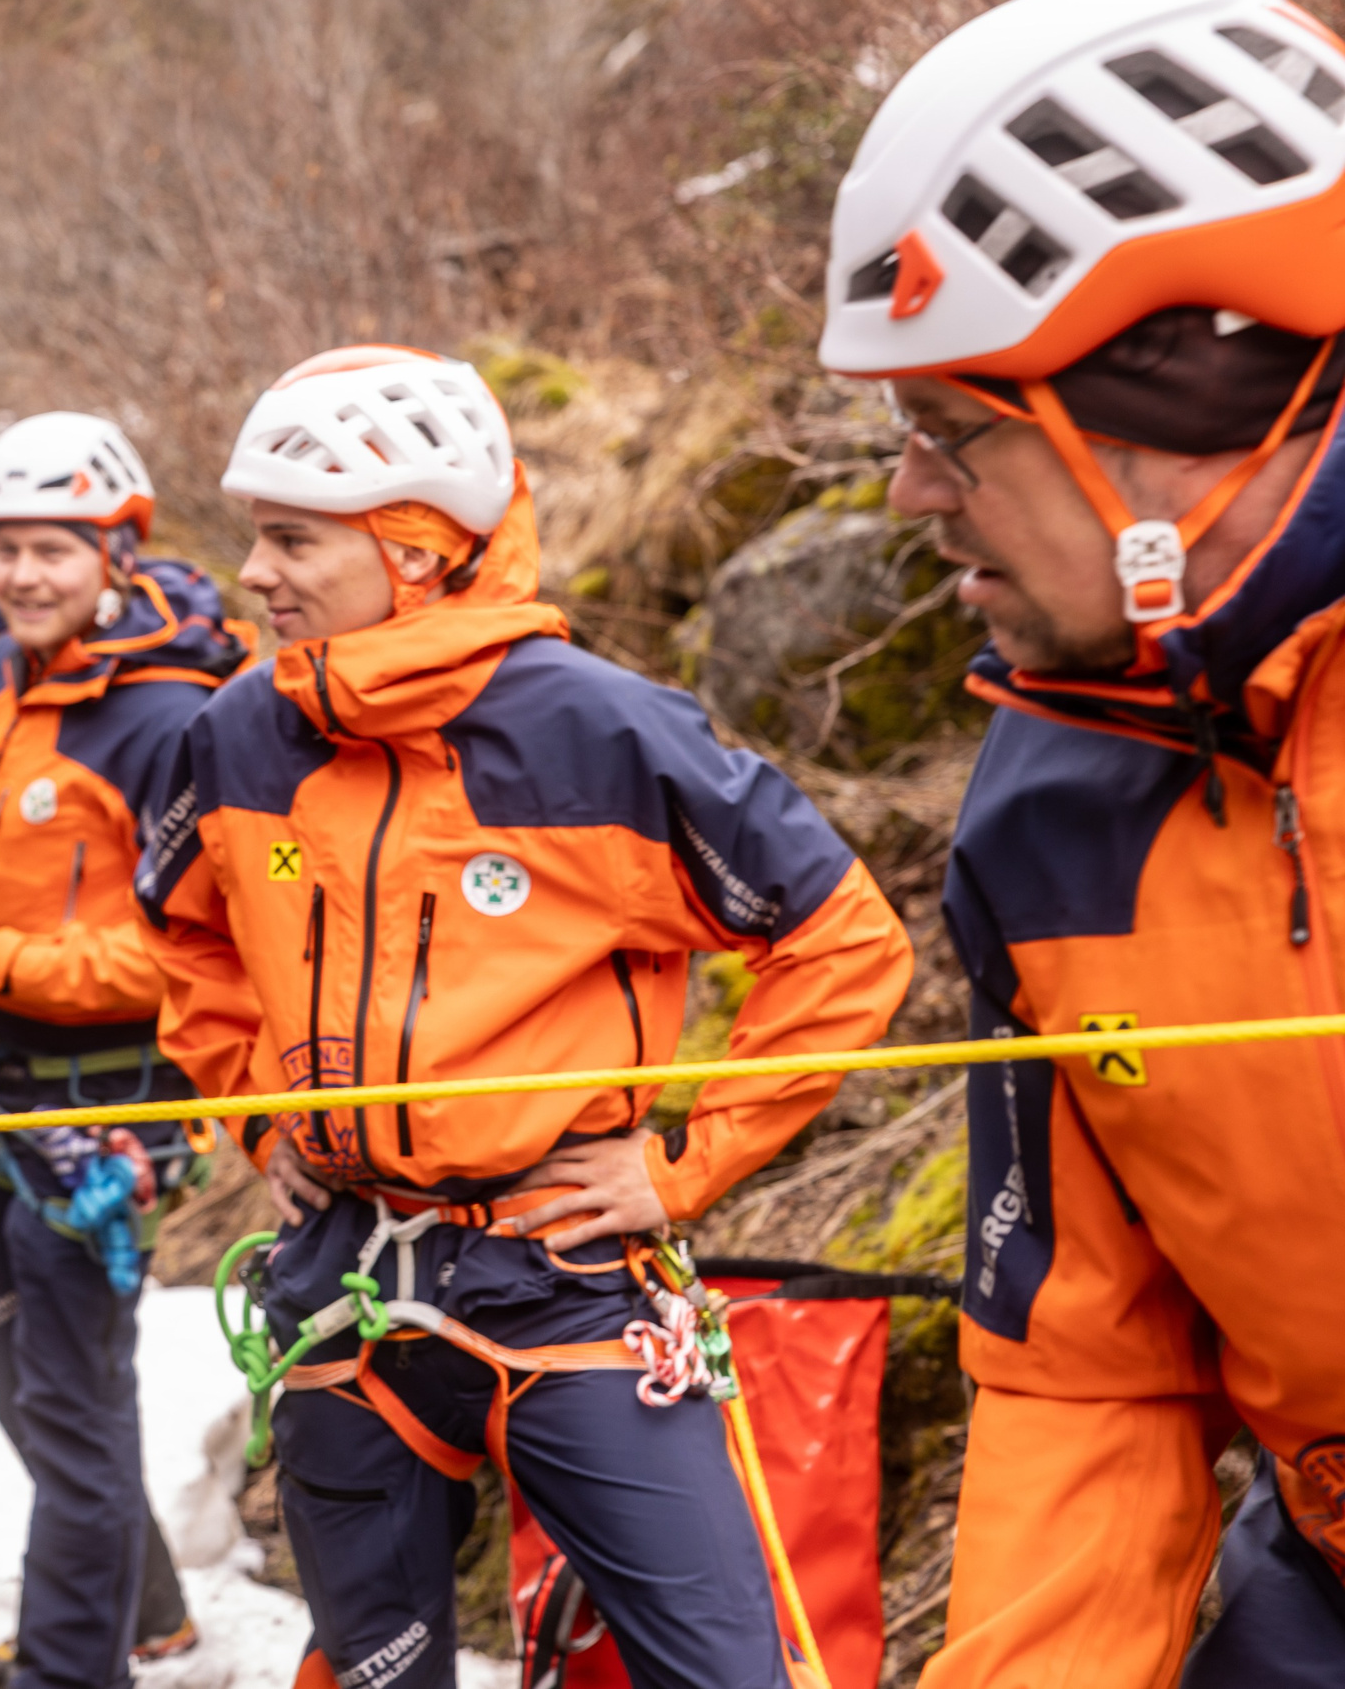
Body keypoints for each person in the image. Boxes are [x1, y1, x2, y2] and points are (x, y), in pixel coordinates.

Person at [136, 345, 913, 1689]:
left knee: (725, 1667)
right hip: (346, 1284)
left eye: (289, 539)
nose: (251, 572)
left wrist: (684, 1161)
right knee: (372, 1667)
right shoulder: (237, 733)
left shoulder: (606, 731)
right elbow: (186, 934)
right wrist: (254, 1106)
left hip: (567, 1281)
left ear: (420, 550)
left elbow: (840, 938)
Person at [816, 0, 1345, 1682]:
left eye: (955, 432)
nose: (909, 494)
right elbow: (1091, 1371)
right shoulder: (1045, 813)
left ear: (1192, 410)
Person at [0, 411, 249, 1689]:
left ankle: (64, 1668)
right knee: (23, 1392)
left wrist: (6, 965)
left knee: (77, 1414)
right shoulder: (5, 678)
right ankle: (137, 1611)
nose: (23, 576)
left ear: (116, 551)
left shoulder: (170, 720)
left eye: (52, 550)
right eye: (6, 550)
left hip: (108, 1118)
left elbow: (204, 955)